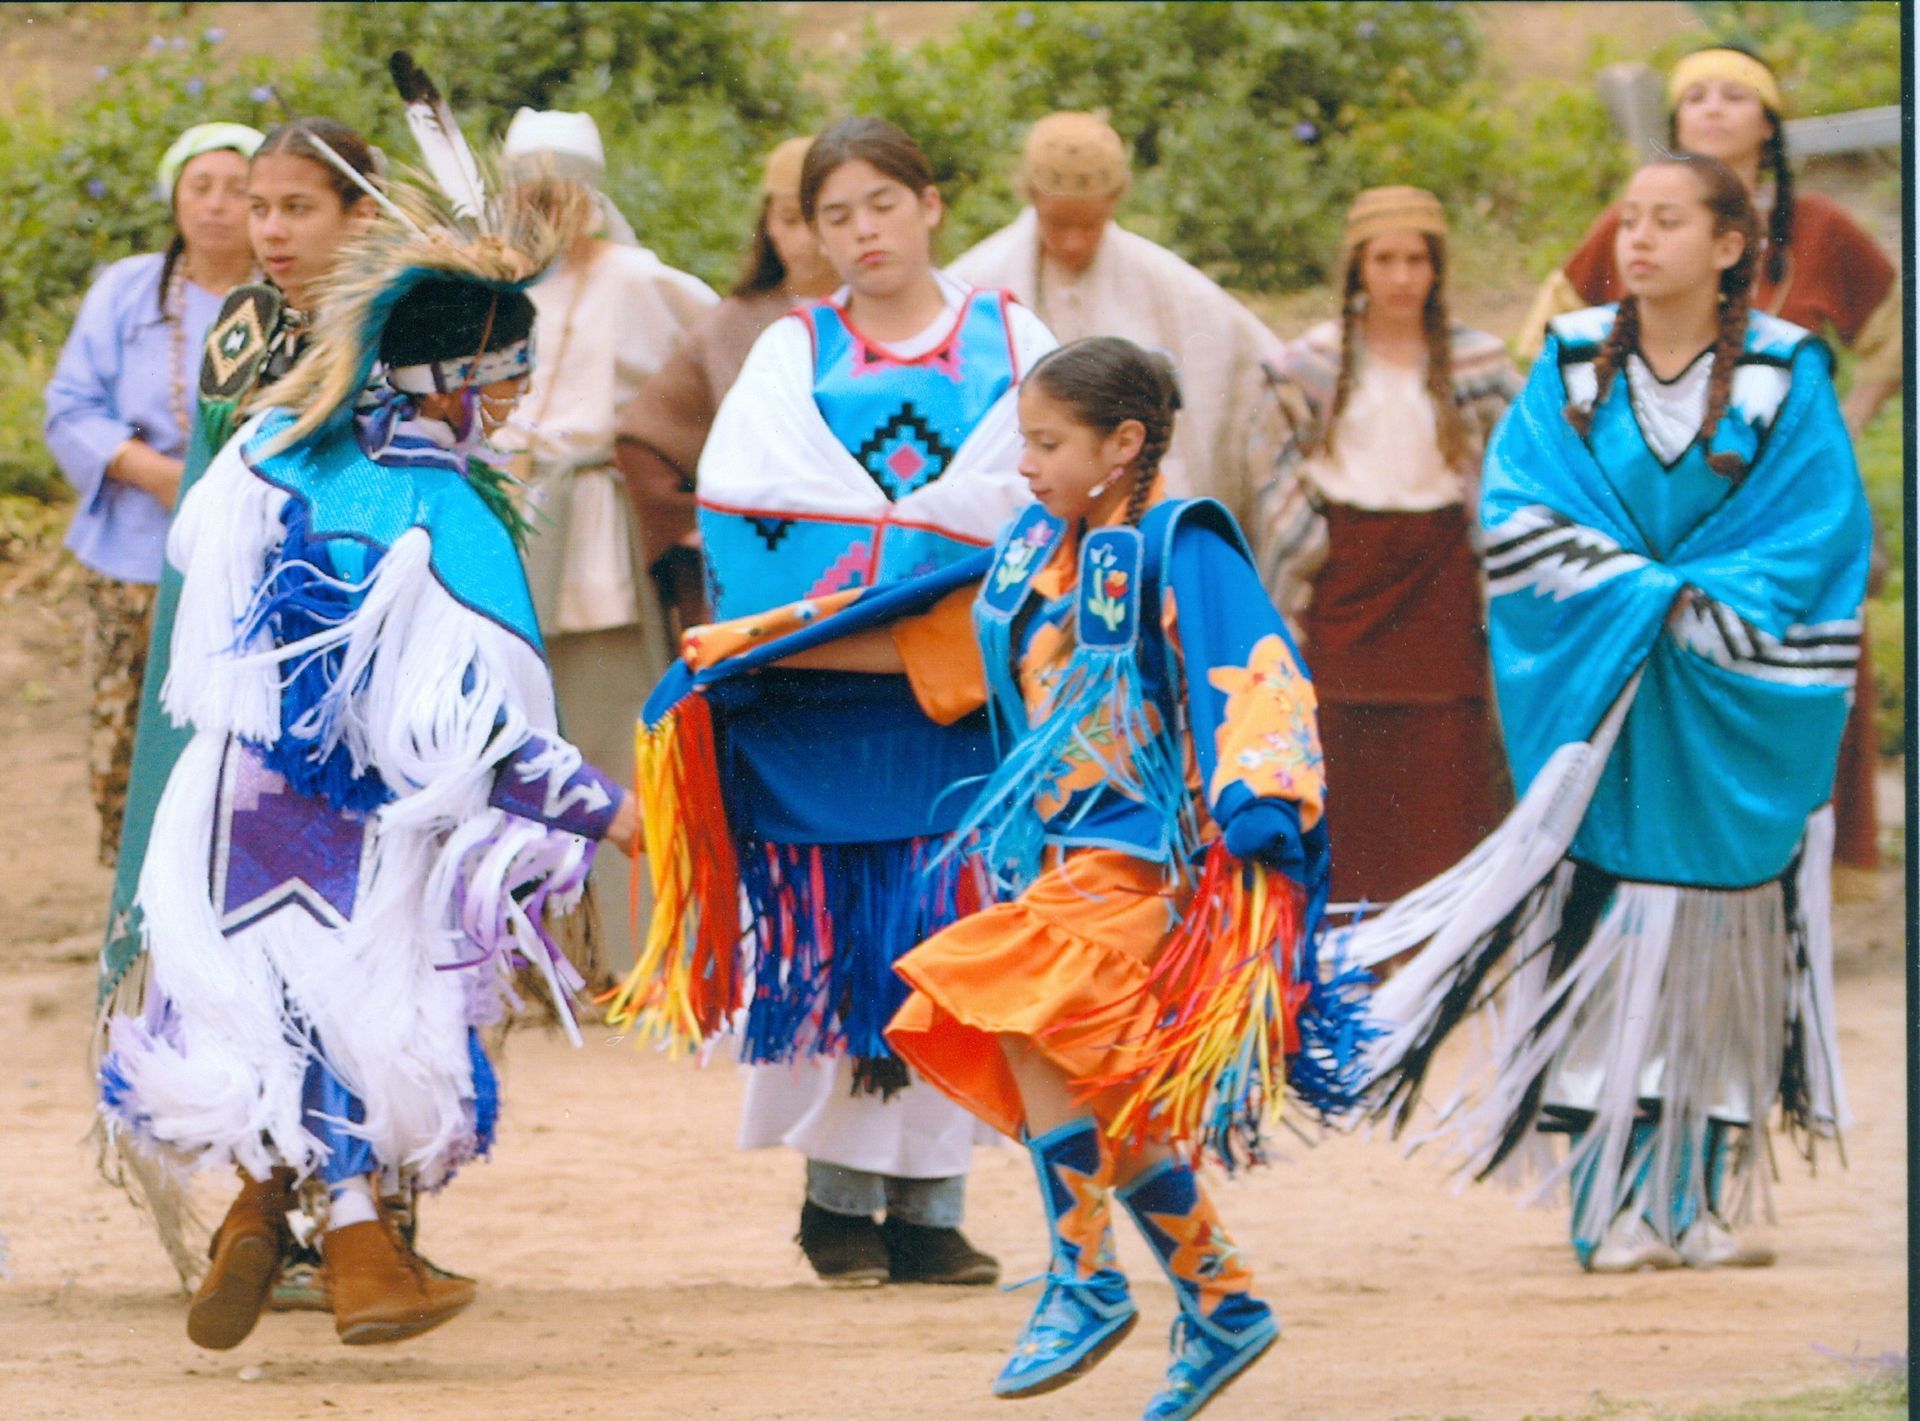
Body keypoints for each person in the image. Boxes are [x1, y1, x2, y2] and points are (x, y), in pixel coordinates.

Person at [625, 336, 1364, 1420]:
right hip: (1053, 857)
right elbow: (929, 648)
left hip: (1145, 861)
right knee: (1083, 1070)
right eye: (1024, 439)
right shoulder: (1034, 556)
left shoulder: (1176, 544)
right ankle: (1217, 1298)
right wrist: (760, 653)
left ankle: (1087, 1275)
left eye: (1047, 442)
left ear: (1122, 443)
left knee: (1003, 999)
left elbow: (1255, 666)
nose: (1025, 463)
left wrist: (1262, 803)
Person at [95, 171, 639, 1351]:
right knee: (368, 1014)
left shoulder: (269, 459)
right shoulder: (443, 515)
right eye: (504, 379)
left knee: (271, 1007)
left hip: (235, 792)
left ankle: (254, 1211)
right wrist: (605, 810)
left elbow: (199, 571)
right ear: (460, 383)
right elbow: (475, 736)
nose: (509, 403)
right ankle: (358, 1246)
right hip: (365, 811)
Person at [1349, 155, 1868, 1276]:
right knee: (1611, 922)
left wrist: (1692, 605)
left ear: (1730, 246)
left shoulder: (1786, 373)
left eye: (1668, 220)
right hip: (1610, 698)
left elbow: (1819, 530)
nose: (1638, 238)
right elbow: (1521, 511)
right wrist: (1650, 591)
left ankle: (1698, 1198)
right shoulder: (1575, 359)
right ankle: (1609, 1197)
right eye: (1630, 218)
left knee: (1720, 941)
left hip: (1728, 703)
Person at [605, 115, 1054, 1287]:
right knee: (835, 942)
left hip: (965, 701)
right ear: (809, 230)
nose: (863, 233)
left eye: (883, 206)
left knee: (952, 936)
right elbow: (748, 498)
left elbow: (1048, 485)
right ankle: (838, 1201)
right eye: (835, 214)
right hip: (827, 701)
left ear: (932, 205)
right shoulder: (791, 348)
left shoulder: (1011, 335)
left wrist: (911, 552)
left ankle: (934, 1205)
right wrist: (917, 553)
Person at [95, 114, 391, 1305]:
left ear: (358, 212)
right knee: (278, 927)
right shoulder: (247, 328)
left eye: (296, 208)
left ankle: (325, 1213)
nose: (267, 231)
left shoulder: (412, 318)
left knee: (373, 938)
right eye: (258, 208)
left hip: (375, 659)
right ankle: (308, 1212)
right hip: (254, 658)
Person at [1517, 45, 1897, 874]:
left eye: (1735, 96)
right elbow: (1549, 339)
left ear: (1769, 124)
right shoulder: (1635, 227)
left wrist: (1855, 406)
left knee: (1797, 674)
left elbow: (1893, 326)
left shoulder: (1821, 229)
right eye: (1697, 98)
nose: (1714, 110)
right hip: (1653, 506)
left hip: (1782, 500)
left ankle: (1792, 871)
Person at [489, 108, 719, 977]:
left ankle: (641, 952)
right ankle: (533, 954)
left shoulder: (640, 280)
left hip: (594, 528)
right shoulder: (493, 283)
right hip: (510, 518)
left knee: (616, 733)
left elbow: (716, 361)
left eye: (560, 190)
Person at [1251, 188, 1520, 904]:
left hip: (1439, 577)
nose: (1401, 276)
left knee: (1442, 750)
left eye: (1417, 260)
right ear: (1357, 268)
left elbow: (1517, 469)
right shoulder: (1309, 363)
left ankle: (1444, 929)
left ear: (1437, 270)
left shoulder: (1479, 362)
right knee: (1344, 741)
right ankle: (1347, 928)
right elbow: (1276, 473)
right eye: (1385, 259)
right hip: (1347, 572)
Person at [44, 120, 263, 868]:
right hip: (137, 553)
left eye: (239, 190)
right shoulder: (128, 291)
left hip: (252, 555)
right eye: (200, 187)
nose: (217, 206)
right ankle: (130, 879)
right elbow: (70, 407)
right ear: (175, 200)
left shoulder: (284, 299)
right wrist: (166, 477)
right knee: (129, 728)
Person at [947, 112, 1283, 524]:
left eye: (1090, 225)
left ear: (1114, 202)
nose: (1073, 242)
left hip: (1137, 507)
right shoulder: (976, 284)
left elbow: (1253, 363)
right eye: (1057, 223)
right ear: (1032, 199)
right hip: (1019, 504)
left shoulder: (1166, 283)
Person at [614, 135, 838, 642]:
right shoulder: (736, 323)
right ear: (767, 226)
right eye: (787, 221)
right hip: (768, 557)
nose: (803, 240)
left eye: (815, 219)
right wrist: (695, 527)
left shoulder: (884, 313)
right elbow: (643, 438)